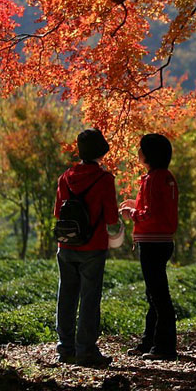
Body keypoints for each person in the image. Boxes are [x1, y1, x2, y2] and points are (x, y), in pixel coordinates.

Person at [53, 128, 120, 368]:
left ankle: (65, 348)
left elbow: (57, 212)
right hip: (93, 247)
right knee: (89, 299)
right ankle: (86, 350)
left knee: (66, 296)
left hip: (67, 244)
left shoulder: (65, 177)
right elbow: (111, 218)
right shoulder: (104, 180)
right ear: (101, 152)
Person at [121, 133, 179, 361]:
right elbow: (158, 208)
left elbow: (151, 213)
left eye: (140, 148)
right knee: (154, 295)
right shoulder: (164, 177)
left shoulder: (155, 179)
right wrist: (135, 205)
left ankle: (164, 347)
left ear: (148, 154)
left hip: (153, 242)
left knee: (158, 296)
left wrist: (131, 213)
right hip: (161, 240)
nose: (138, 152)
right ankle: (150, 342)